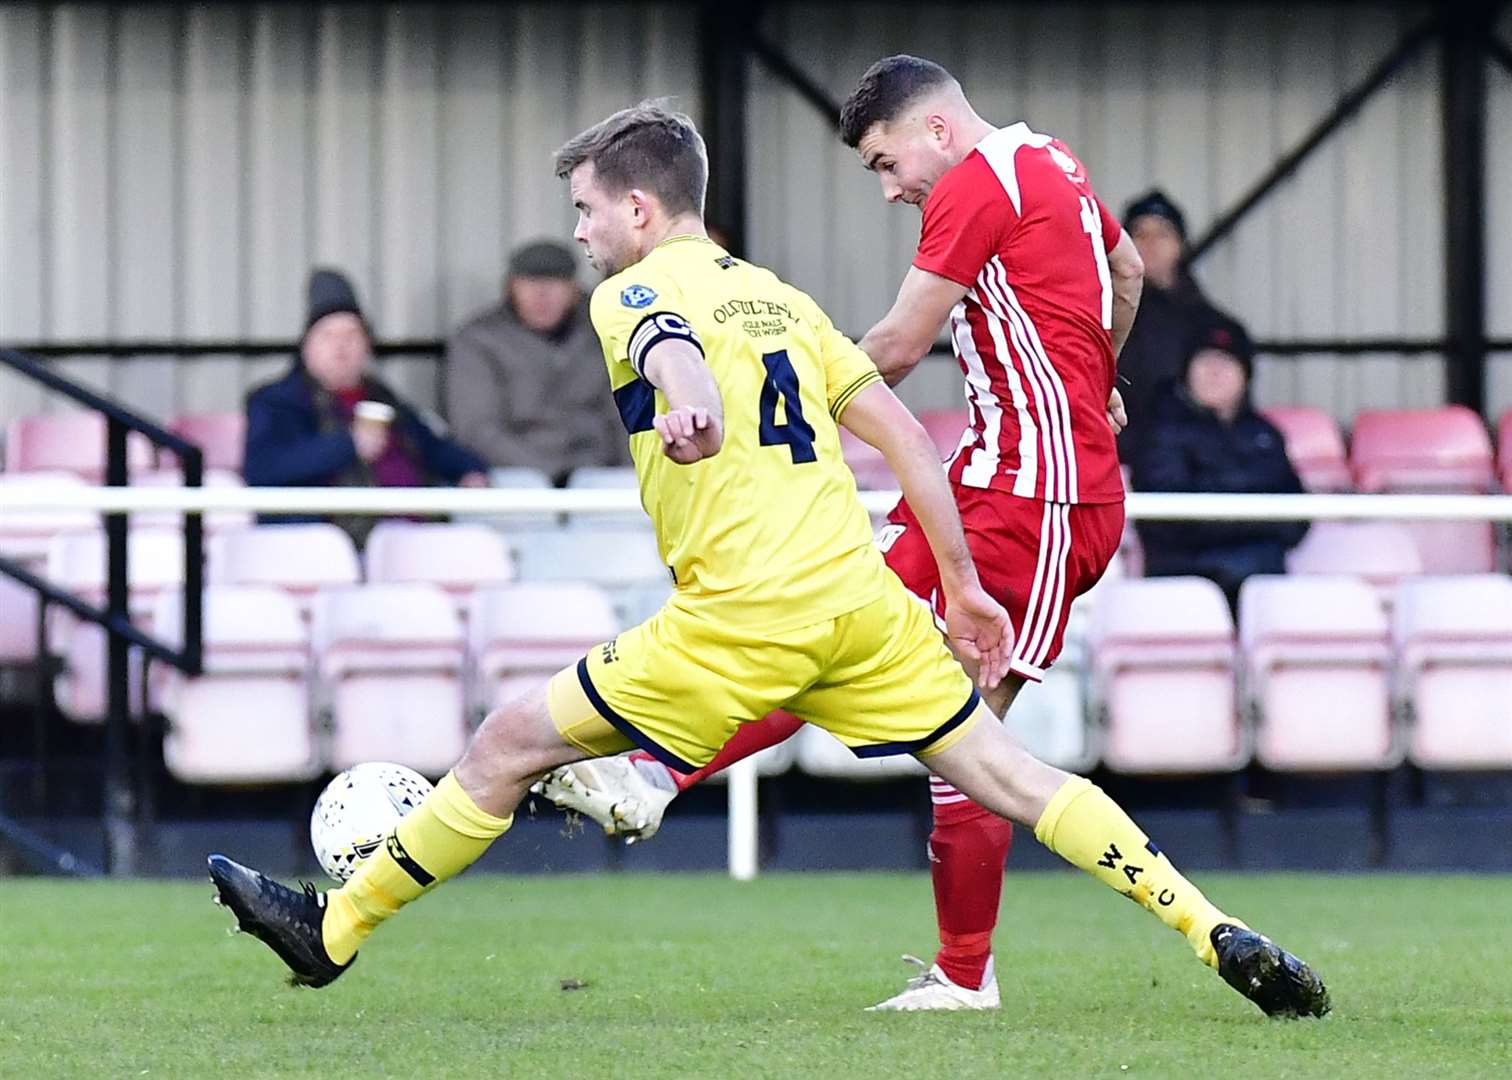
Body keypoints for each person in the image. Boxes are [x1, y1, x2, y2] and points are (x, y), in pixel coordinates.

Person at [208, 101, 1327, 1023]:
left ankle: (332, 932)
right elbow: (908, 441)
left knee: (504, 745)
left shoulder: (632, 291)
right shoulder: (781, 296)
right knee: (1017, 778)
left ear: (639, 209)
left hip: (742, 617)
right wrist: (965, 584)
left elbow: (670, 354)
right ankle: (1208, 926)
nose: (585, 233)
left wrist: (689, 407)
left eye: (588, 210)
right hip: (862, 607)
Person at [532, 60, 1326, 1017]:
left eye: (885, 161)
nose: (890, 187)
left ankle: (955, 969)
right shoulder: (1053, 160)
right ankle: (664, 781)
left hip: (1034, 497)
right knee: (866, 655)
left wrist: (777, 415)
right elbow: (1122, 270)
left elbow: (901, 346)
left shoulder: (975, 185)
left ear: (937, 131)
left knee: (963, 736)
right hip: (1003, 479)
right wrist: (1095, 372)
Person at [244, 268, 488, 547]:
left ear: (366, 346)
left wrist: (470, 469)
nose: (341, 346)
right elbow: (264, 469)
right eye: (328, 335)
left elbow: (431, 446)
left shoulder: (381, 397)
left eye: (351, 335)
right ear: (307, 346)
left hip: (421, 533)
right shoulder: (278, 401)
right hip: (338, 543)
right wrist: (348, 443)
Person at [1132, 314, 1307, 612]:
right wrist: (1256, 512)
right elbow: (1169, 523)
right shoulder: (1159, 432)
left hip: (1261, 584)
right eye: (1205, 361)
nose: (1215, 373)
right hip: (1182, 587)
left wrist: (1219, 502)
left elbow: (1296, 518)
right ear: (1186, 371)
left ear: (1245, 374)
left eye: (1226, 363)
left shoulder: (1265, 434)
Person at [444, 241, 630, 485]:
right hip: (515, 473)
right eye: (530, 283)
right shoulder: (478, 339)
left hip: (596, 470)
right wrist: (551, 473)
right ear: (510, 287)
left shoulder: (603, 329)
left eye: (554, 283)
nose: (542, 296)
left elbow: (624, 412)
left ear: (574, 289)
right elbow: (477, 429)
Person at [1114, 189, 1235, 463]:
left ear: (1180, 244)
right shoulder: (1101, 316)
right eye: (1141, 234)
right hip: (1113, 457)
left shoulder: (1215, 327)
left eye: (1163, 234)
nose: (1151, 244)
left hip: (1192, 465)